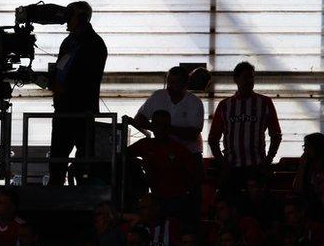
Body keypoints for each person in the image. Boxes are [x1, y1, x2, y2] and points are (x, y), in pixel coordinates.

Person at [131, 66, 205, 225]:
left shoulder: (195, 103)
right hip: (161, 151)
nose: (170, 86)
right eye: (169, 82)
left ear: (185, 84)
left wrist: (164, 130)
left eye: (175, 83)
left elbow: (193, 134)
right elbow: (139, 119)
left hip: (189, 153)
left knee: (192, 197)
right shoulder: (158, 96)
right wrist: (158, 130)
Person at [48, 1, 107, 186]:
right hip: (63, 107)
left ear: (81, 18)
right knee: (58, 154)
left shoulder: (94, 44)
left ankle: (83, 187)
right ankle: (55, 187)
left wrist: (65, 88)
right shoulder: (68, 42)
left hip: (81, 109)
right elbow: (60, 68)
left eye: (70, 16)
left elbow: (88, 77)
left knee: (83, 155)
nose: (66, 20)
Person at [208, 62, 282, 200]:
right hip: (232, 167)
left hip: (257, 166)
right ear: (235, 79)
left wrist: (268, 160)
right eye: (246, 77)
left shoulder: (265, 103)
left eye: (252, 77)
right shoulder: (225, 105)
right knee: (231, 207)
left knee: (257, 207)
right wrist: (223, 163)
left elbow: (276, 134)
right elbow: (213, 138)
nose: (249, 81)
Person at [128, 110, 199, 223]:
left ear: (169, 127)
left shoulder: (180, 150)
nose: (160, 128)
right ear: (152, 125)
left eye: (164, 125)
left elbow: (194, 177)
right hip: (154, 200)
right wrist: (140, 163)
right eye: (157, 124)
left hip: (176, 201)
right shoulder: (146, 144)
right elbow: (123, 155)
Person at [293, 132, 324, 217]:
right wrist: (302, 165)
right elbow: (297, 188)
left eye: (307, 147)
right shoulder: (308, 165)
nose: (305, 150)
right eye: (304, 146)